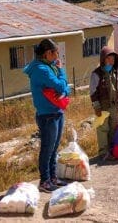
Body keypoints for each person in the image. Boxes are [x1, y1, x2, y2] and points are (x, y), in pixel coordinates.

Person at [23, 39, 70, 193]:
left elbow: (65, 89)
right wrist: (61, 72)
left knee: (54, 147)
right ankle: (45, 180)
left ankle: (53, 177)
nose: (58, 56)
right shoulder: (41, 69)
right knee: (47, 148)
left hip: (56, 111)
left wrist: (62, 87)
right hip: (47, 114)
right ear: (47, 53)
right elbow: (61, 85)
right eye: (56, 52)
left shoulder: (50, 67)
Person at [90, 46, 118, 159]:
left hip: (115, 107)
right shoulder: (96, 74)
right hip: (103, 107)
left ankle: (112, 150)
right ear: (103, 59)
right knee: (103, 129)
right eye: (108, 58)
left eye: (113, 59)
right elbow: (93, 91)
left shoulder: (116, 73)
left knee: (114, 128)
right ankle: (103, 152)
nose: (111, 61)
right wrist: (96, 106)